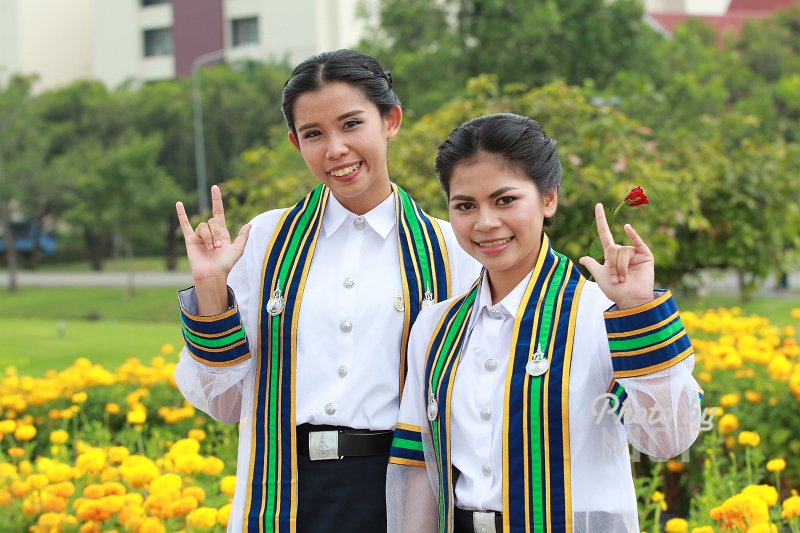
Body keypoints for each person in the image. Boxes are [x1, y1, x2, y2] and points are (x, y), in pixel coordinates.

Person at [173, 49, 480, 533]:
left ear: (391, 121)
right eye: (314, 134)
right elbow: (223, 404)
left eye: (351, 124)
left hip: (402, 490)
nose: (335, 149)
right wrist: (211, 289)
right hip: (285, 493)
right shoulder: (264, 241)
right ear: (296, 143)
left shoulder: (451, 250)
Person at [387, 113, 702, 533]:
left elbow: (669, 441)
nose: (485, 223)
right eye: (465, 205)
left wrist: (637, 308)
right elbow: (417, 468)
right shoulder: (435, 327)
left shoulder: (599, 315)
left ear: (548, 198)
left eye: (505, 200)